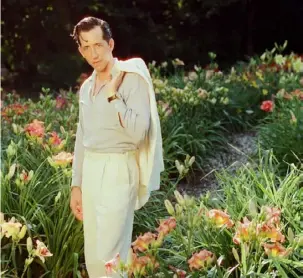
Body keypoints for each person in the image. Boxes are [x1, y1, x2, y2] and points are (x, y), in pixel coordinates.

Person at [69, 16, 164, 277]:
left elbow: (137, 135)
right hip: (91, 168)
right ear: (80, 50)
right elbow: (82, 137)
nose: (93, 53)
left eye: (98, 45)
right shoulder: (86, 88)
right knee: (93, 254)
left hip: (119, 167)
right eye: (86, 47)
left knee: (111, 255)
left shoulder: (131, 80)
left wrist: (113, 95)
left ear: (110, 44)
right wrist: (76, 184)